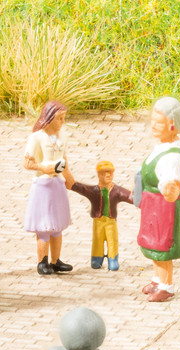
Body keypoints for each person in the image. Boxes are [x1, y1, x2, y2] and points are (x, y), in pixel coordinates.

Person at [137, 97, 180, 303]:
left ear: (172, 124)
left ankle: (166, 286)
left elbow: (174, 181)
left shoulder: (172, 156)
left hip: (165, 208)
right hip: (154, 205)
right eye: (152, 120)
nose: (153, 125)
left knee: (163, 246)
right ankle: (157, 280)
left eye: (158, 122)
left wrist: (170, 187)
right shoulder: (164, 146)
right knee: (153, 245)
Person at [23, 101, 72, 276]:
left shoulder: (62, 136)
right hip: (43, 185)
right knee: (44, 226)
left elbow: (64, 160)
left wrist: (70, 180)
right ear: (49, 118)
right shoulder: (37, 137)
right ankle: (42, 261)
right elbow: (27, 162)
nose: (62, 122)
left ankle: (55, 260)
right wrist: (43, 167)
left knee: (57, 226)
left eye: (64, 118)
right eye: (59, 118)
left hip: (57, 184)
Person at [63, 161, 132, 271]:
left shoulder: (117, 191)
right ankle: (96, 258)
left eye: (110, 172)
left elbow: (130, 197)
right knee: (97, 240)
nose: (108, 175)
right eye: (105, 172)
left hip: (110, 222)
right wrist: (65, 170)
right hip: (98, 221)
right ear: (99, 175)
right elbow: (75, 186)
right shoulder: (94, 191)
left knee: (112, 241)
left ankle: (113, 259)